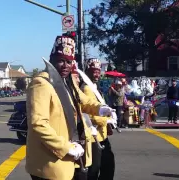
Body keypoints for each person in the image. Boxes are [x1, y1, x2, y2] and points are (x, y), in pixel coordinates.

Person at [25, 35, 115, 180]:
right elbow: (38, 124)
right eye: (61, 60)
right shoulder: (41, 84)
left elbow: (83, 101)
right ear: (51, 59)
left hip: (74, 154)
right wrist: (66, 148)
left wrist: (101, 108)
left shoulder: (68, 82)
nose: (65, 65)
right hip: (51, 161)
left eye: (69, 62)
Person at [80, 58, 115, 180]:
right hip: (95, 137)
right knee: (95, 170)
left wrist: (108, 122)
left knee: (107, 166)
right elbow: (88, 114)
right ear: (87, 71)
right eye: (94, 71)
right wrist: (106, 121)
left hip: (102, 135)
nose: (97, 74)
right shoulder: (86, 88)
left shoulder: (94, 87)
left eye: (98, 71)